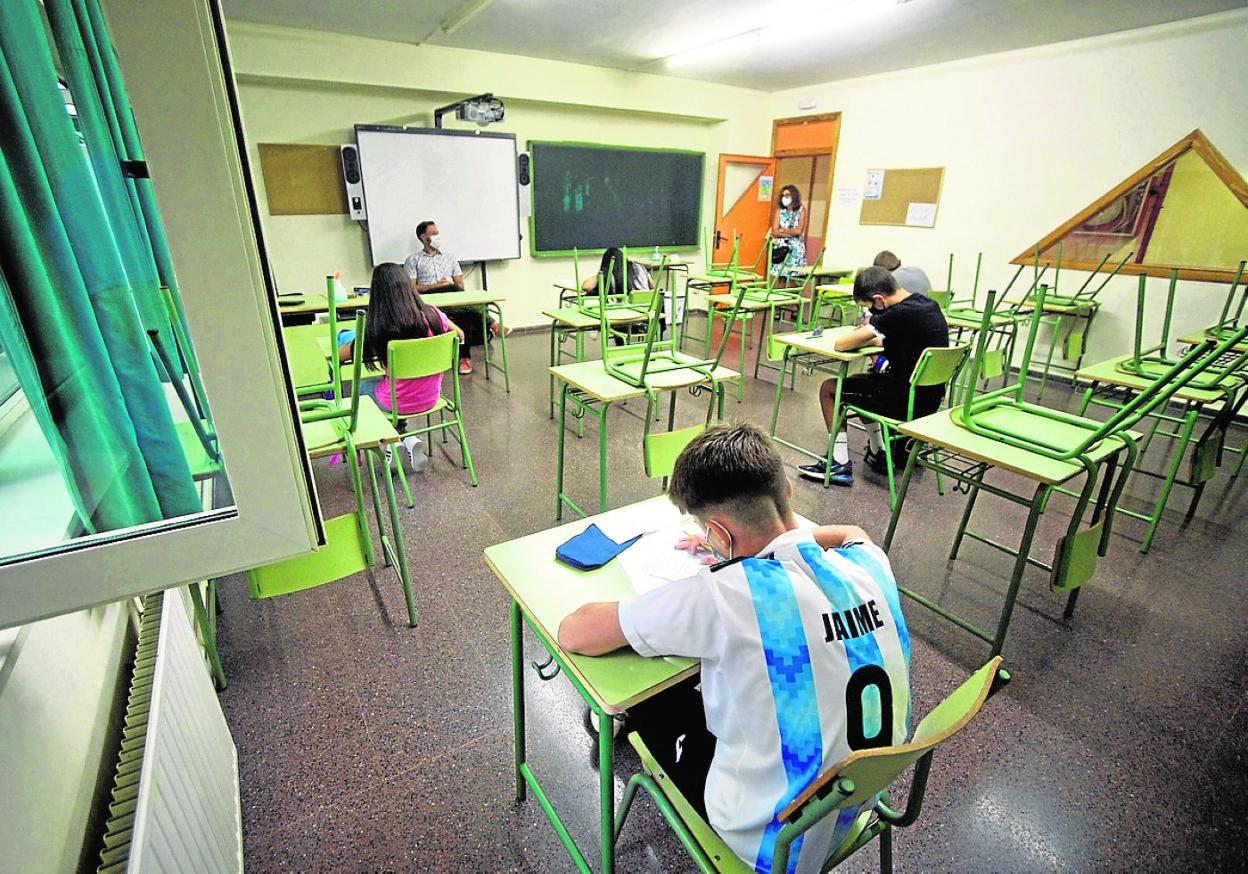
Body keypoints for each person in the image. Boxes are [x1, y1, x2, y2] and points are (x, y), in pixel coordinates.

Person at [558, 422, 911, 874]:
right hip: (855, 801)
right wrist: (771, 539)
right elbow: (850, 531)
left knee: (652, 702)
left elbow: (577, 631)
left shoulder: (727, 593)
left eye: (708, 534)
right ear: (786, 489)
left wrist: (732, 554)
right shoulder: (869, 560)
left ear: (719, 537)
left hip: (771, 839)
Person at [799, 266, 949, 486]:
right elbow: (893, 340)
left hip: (906, 402)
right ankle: (879, 451)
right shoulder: (927, 305)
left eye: (868, 307)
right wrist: (872, 338)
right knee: (863, 384)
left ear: (879, 300)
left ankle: (838, 464)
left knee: (831, 389)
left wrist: (863, 334)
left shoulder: (896, 313)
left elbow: (841, 345)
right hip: (929, 400)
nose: (871, 312)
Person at [338, 262, 464, 469]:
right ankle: (405, 438)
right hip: (432, 397)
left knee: (356, 389)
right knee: (388, 386)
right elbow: (459, 335)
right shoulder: (432, 314)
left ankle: (390, 440)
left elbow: (341, 356)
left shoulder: (378, 325)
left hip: (395, 403)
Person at [403, 220, 504, 376]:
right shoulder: (413, 260)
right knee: (455, 292)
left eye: (438, 232)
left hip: (452, 298)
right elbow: (412, 288)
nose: (438, 235)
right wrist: (434, 286)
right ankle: (492, 324)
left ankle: (464, 359)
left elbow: (460, 285)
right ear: (423, 237)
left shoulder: (450, 258)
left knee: (465, 312)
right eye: (433, 233)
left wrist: (447, 286)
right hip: (429, 301)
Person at [770, 185, 808, 279]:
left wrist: (783, 230)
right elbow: (775, 231)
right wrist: (790, 233)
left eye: (787, 195)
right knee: (780, 277)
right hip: (781, 247)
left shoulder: (801, 210)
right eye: (783, 196)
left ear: (793, 196)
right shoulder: (780, 211)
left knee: (794, 276)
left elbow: (799, 231)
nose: (784, 198)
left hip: (796, 248)